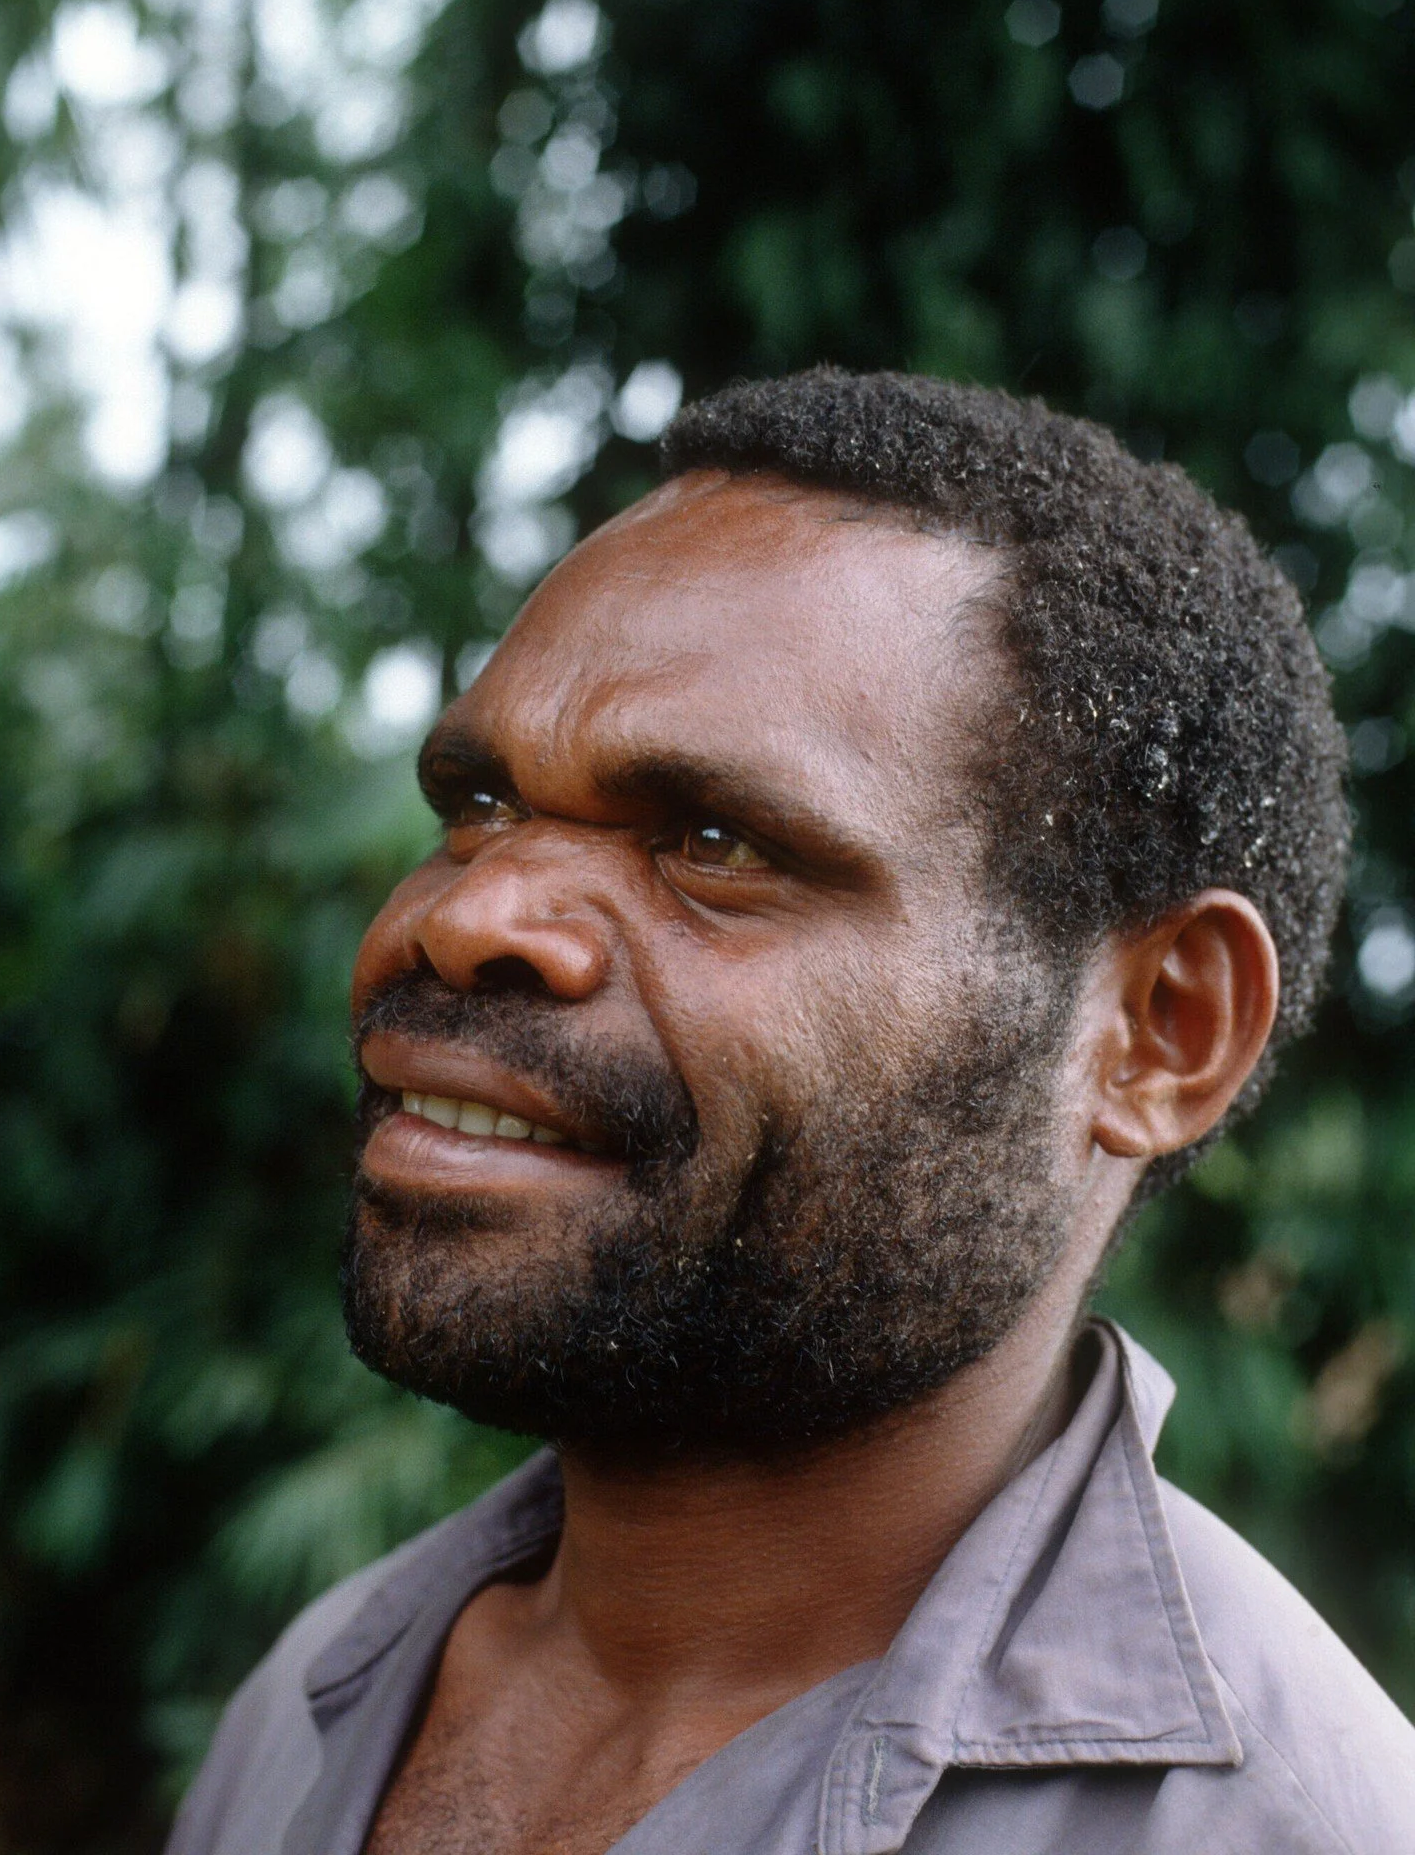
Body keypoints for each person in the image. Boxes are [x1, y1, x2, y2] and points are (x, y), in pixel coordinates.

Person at [166, 370, 1413, 1855]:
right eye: (479, 808)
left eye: (714, 842)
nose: (467, 914)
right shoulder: (317, 1699)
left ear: (1160, 1032)